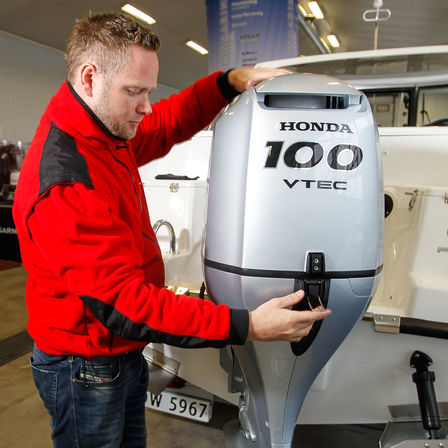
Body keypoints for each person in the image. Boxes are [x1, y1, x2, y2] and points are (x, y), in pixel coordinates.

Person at [12, 12, 331, 448]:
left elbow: (166, 122)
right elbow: (126, 305)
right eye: (135, 91)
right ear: (90, 78)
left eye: (149, 90)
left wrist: (228, 81)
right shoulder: (65, 183)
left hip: (119, 352)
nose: (146, 105)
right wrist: (249, 324)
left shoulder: (104, 131)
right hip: (83, 367)